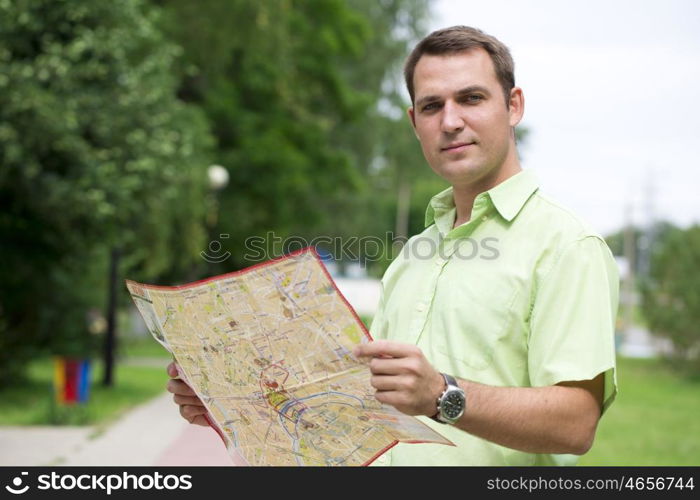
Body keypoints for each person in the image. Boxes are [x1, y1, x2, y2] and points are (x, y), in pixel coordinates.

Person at [167, 25, 619, 466]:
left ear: (513, 105)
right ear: (413, 122)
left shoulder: (568, 245)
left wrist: (443, 396)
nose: (451, 121)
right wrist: (239, 407)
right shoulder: (413, 256)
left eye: (472, 98)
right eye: (431, 106)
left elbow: (576, 425)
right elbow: (369, 415)